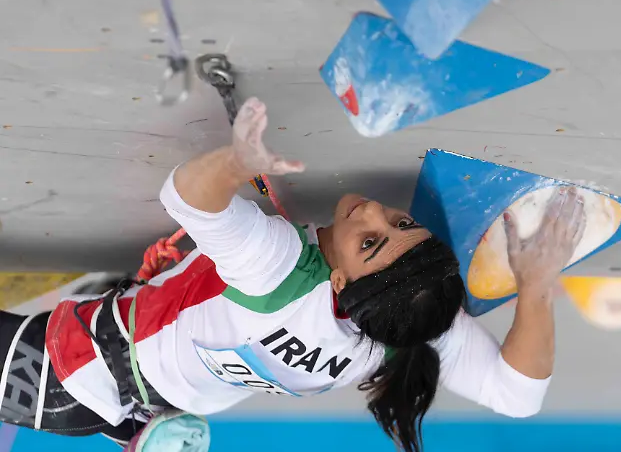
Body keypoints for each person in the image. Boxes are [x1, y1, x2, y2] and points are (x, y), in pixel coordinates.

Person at [0, 98, 586, 452]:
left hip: (74, 371)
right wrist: (536, 284)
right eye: (402, 221)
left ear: (338, 284)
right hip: (150, 395)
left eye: (371, 241)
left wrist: (236, 163)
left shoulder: (276, 268)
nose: (374, 212)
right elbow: (517, 396)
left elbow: (185, 200)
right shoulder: (401, 323)